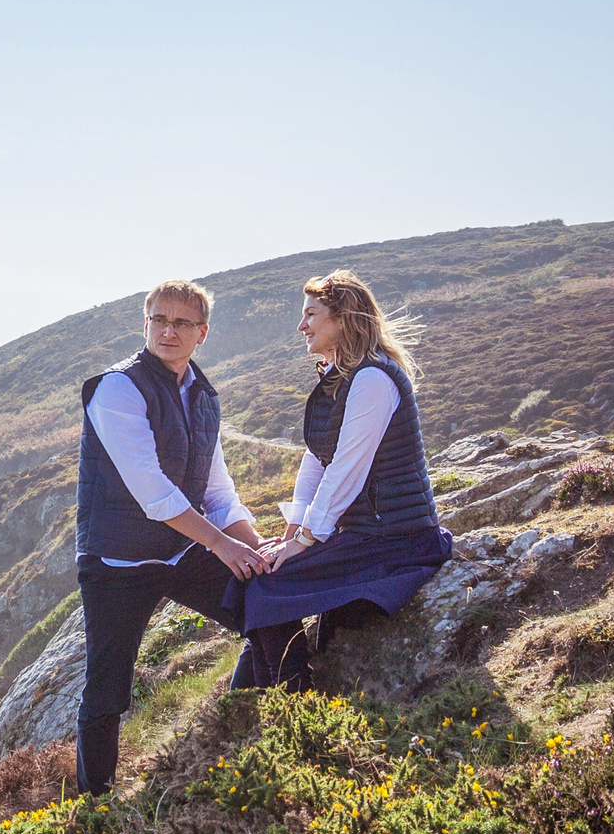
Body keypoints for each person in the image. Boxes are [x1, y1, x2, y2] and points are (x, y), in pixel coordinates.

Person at [71, 278, 268, 794]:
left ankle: (237, 740)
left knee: (270, 610)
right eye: (159, 319)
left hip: (179, 550)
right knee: (106, 691)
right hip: (116, 562)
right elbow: (152, 493)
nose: (168, 331)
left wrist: (257, 547)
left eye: (181, 323)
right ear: (145, 324)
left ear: (202, 333)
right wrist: (222, 546)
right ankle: (97, 806)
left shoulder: (202, 395)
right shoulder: (117, 388)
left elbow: (217, 488)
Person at [231, 269, 453, 689]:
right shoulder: (340, 378)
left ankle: (289, 700)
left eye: (311, 314)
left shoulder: (372, 379)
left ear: (344, 318)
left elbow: (347, 469)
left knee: (267, 585)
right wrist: (294, 529)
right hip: (365, 533)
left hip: (396, 538)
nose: (301, 326)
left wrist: (307, 539)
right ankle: (255, 701)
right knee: (261, 576)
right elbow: (317, 459)